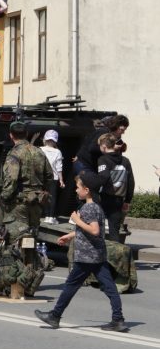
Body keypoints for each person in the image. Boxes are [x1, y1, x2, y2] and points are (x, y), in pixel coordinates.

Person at [34, 172, 127, 332]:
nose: (76, 191)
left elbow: (94, 230)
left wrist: (77, 221)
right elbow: (88, 230)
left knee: (70, 285)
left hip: (86, 257)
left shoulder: (88, 208)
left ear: (87, 190)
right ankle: (118, 319)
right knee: (110, 287)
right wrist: (70, 236)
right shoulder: (96, 206)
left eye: (78, 187)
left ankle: (55, 316)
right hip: (97, 255)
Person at [0, 121, 52, 235]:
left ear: (11, 135)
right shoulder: (39, 152)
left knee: (16, 240)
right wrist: (42, 190)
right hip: (36, 201)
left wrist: (4, 197)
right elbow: (49, 175)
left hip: (19, 203)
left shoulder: (14, 153)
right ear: (27, 133)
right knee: (32, 238)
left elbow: (11, 179)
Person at [95, 133, 135, 242]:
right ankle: (115, 256)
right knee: (114, 230)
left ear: (104, 146)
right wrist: (127, 200)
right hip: (119, 199)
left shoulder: (102, 159)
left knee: (98, 228)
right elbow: (131, 182)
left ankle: (100, 255)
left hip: (104, 198)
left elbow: (104, 177)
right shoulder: (126, 161)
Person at [40, 130, 64, 223]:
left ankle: (44, 214)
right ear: (55, 141)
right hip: (53, 177)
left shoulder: (40, 149)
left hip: (42, 177)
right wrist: (61, 180)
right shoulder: (58, 151)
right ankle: (50, 216)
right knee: (52, 197)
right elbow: (59, 167)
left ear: (45, 139)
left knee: (42, 195)